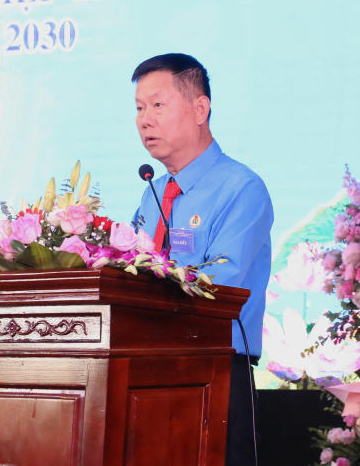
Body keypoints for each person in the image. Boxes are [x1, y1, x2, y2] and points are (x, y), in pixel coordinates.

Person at [132, 53, 273, 465]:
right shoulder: (153, 191)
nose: (145, 120)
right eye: (139, 108)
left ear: (200, 109)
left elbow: (219, 283)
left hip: (214, 372)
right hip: (147, 371)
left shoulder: (241, 188)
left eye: (158, 105)